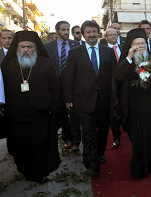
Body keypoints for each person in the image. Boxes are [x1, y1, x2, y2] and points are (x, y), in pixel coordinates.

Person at [1, 31, 60, 183]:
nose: (26, 50)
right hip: (16, 116)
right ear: (17, 47)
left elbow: (55, 87)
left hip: (40, 116)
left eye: (29, 47)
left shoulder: (46, 63)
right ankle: (25, 169)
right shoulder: (7, 65)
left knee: (39, 146)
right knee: (20, 146)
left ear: (36, 48)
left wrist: (53, 107)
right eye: (22, 47)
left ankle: (38, 173)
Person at [63, 20, 117, 177]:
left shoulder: (107, 51)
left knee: (103, 131)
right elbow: (68, 78)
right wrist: (68, 98)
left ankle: (100, 153)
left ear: (99, 33)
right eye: (88, 32)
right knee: (88, 133)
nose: (92, 34)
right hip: (83, 101)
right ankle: (91, 164)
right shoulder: (74, 53)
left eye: (94, 31)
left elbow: (115, 75)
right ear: (84, 34)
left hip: (104, 101)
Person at [113, 28, 151, 178]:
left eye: (143, 43)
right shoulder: (127, 62)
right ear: (131, 46)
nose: (141, 46)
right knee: (140, 138)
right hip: (135, 106)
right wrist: (129, 56)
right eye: (137, 44)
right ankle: (141, 168)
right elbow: (118, 77)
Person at [44, 21, 81, 151]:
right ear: (57, 30)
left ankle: (77, 141)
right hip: (57, 86)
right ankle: (67, 138)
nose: (66, 32)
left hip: (74, 85)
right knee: (62, 114)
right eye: (63, 30)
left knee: (75, 113)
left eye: (67, 29)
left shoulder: (76, 45)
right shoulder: (48, 47)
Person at [104, 28, 124, 148]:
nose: (113, 37)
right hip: (111, 85)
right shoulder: (104, 50)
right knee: (114, 111)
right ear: (106, 37)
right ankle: (116, 136)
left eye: (115, 34)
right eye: (110, 35)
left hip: (125, 84)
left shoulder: (124, 48)